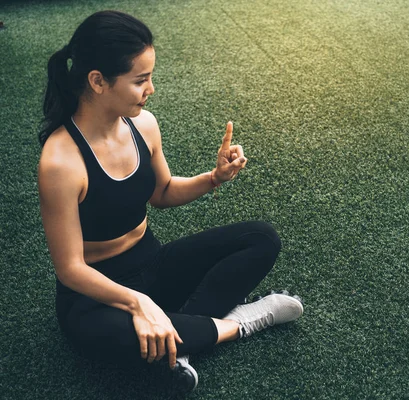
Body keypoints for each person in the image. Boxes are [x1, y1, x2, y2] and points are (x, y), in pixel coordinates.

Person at [37, 10, 303, 392]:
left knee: (261, 238)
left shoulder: (143, 125)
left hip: (152, 263)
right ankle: (243, 323)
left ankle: (177, 342)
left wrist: (213, 179)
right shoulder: (60, 162)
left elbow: (161, 193)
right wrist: (136, 304)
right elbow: (70, 269)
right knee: (103, 335)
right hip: (95, 295)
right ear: (98, 81)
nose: (151, 89)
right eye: (140, 80)